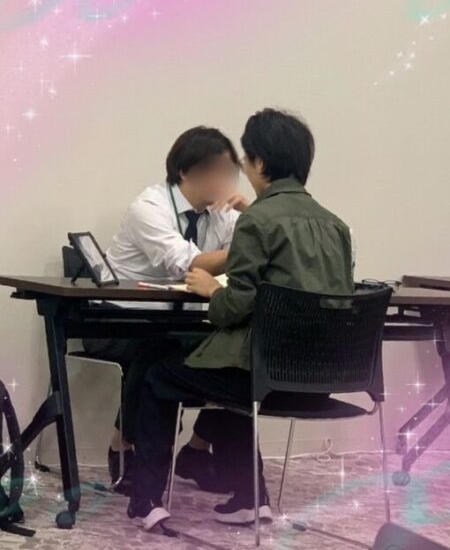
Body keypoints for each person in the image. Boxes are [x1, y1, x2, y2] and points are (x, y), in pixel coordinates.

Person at [128, 108, 355, 531]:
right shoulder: (336, 226)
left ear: (260, 163)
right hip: (322, 379)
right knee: (231, 378)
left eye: (245, 161)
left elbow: (236, 305)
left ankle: (144, 500)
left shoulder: (256, 220)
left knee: (159, 377)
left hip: (266, 375)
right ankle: (251, 498)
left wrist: (212, 291)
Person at [82, 126, 250, 493]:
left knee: (238, 351)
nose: (225, 181)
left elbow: (255, 254)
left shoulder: (222, 212)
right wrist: (251, 243)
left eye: (230, 172)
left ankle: (197, 448)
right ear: (185, 171)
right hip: (117, 319)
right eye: (217, 171)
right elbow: (188, 264)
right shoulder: (149, 207)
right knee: (161, 349)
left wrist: (252, 216)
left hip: (179, 320)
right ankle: (124, 446)